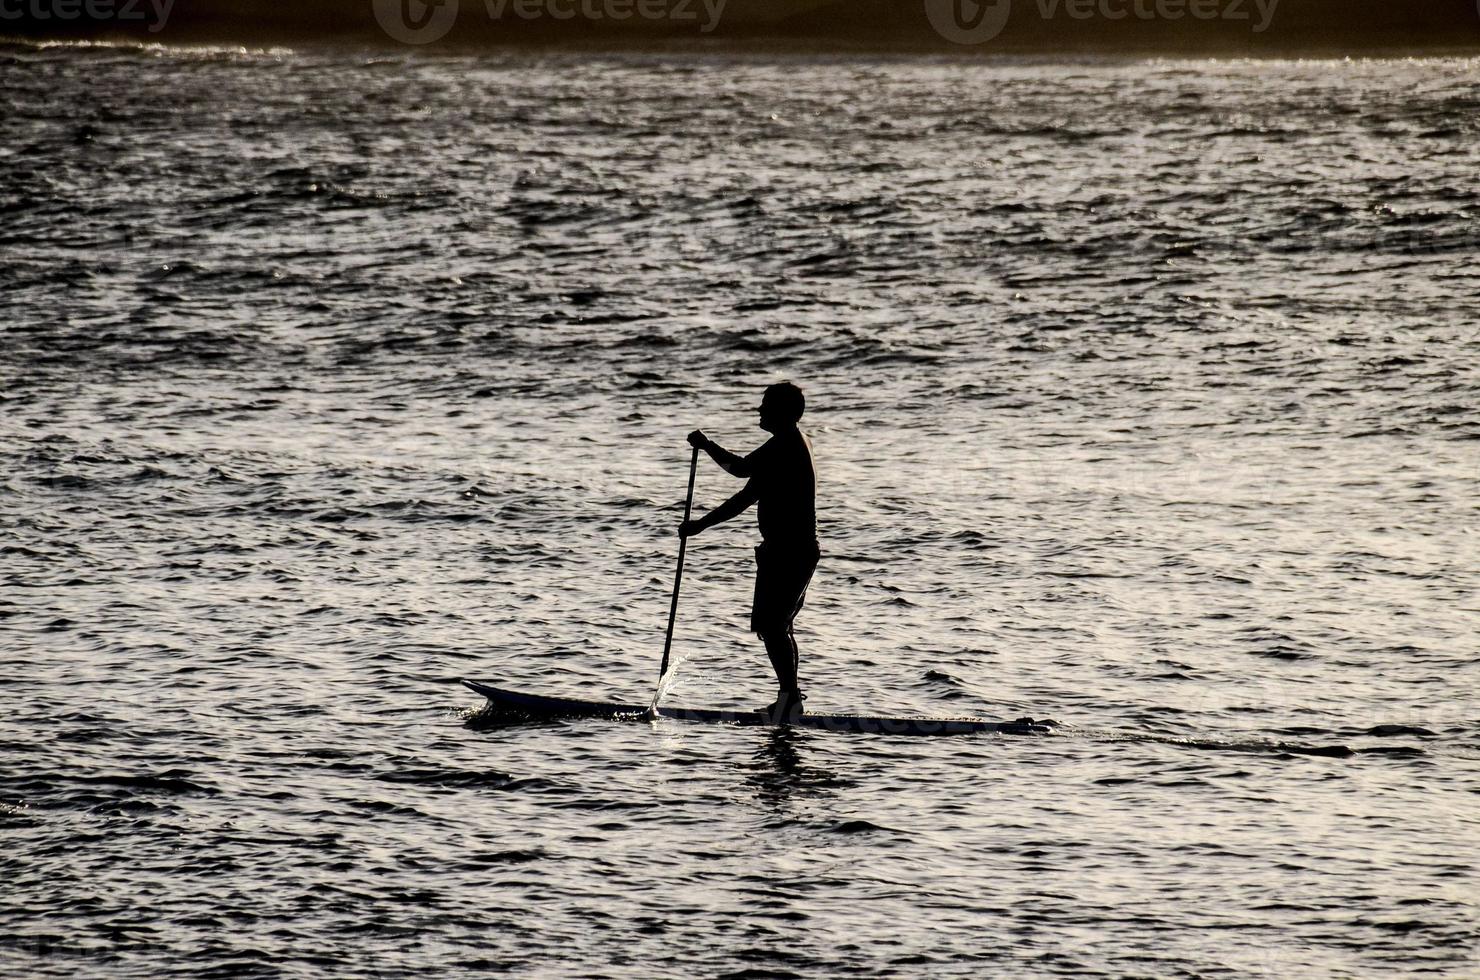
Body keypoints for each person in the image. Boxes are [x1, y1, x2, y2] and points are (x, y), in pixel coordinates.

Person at [679, 381, 819, 720]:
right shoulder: (784, 446)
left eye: (766, 405)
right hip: (784, 551)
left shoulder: (786, 445)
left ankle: (790, 700)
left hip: (791, 551)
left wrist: (707, 444)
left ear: (783, 412)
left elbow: (740, 469)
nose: (759, 410)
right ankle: (789, 700)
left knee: (773, 627)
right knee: (777, 627)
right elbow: (745, 497)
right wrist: (700, 526)